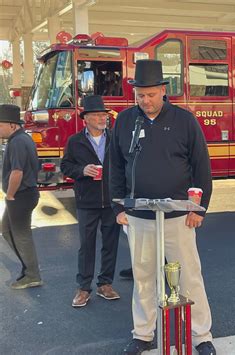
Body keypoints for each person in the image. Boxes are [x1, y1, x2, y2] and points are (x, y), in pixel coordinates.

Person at [110, 59, 215, 355]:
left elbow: (201, 167)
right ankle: (143, 334)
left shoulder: (184, 120)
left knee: (188, 275)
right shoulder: (126, 121)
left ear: (162, 91)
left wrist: (200, 207)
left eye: (151, 95)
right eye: (140, 95)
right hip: (139, 216)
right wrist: (117, 207)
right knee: (144, 277)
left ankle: (201, 335)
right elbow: (115, 166)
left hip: (179, 217)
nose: (145, 101)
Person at [61, 95, 121, 307]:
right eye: (96, 115)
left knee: (110, 245)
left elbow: (124, 165)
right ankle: (84, 288)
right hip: (86, 201)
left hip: (112, 201)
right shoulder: (75, 141)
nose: (101, 118)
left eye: (103, 114)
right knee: (86, 246)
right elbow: (66, 167)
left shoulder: (115, 138)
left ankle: (105, 284)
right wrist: (82, 170)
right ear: (85, 118)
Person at [0, 104, 42, 289]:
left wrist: (9, 195)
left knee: (21, 235)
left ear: (12, 125)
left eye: (0, 125)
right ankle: (28, 270)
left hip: (20, 196)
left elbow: (17, 172)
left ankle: (32, 275)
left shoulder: (17, 142)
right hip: (24, 194)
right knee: (7, 230)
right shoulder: (21, 138)